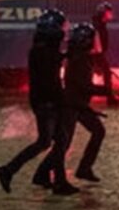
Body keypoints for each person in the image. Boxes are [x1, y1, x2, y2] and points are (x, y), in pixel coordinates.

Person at [0, 9, 78, 195]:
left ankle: (12, 171)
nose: (63, 32)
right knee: (53, 141)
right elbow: (50, 80)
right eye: (61, 28)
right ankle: (54, 181)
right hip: (48, 102)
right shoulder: (43, 51)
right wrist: (62, 100)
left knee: (50, 141)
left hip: (45, 101)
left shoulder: (42, 48)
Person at [35, 23, 109, 186]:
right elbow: (85, 87)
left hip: (77, 104)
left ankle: (83, 168)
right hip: (72, 106)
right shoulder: (80, 60)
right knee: (65, 143)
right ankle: (42, 173)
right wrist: (108, 91)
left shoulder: (78, 56)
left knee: (97, 131)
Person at [91, 1, 116, 105]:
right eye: (108, 12)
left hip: (97, 54)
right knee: (106, 73)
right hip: (95, 54)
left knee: (104, 73)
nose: (111, 14)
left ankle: (109, 96)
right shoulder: (98, 27)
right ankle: (109, 97)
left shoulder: (101, 25)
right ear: (103, 13)